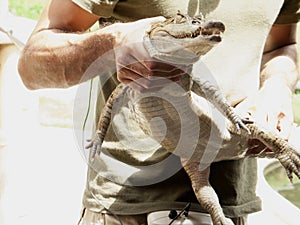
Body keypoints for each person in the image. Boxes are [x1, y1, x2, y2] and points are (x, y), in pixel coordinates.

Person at [17, 0, 299, 225]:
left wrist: (278, 85)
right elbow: (32, 64)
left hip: (230, 201)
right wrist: (114, 42)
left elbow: (282, 45)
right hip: (124, 208)